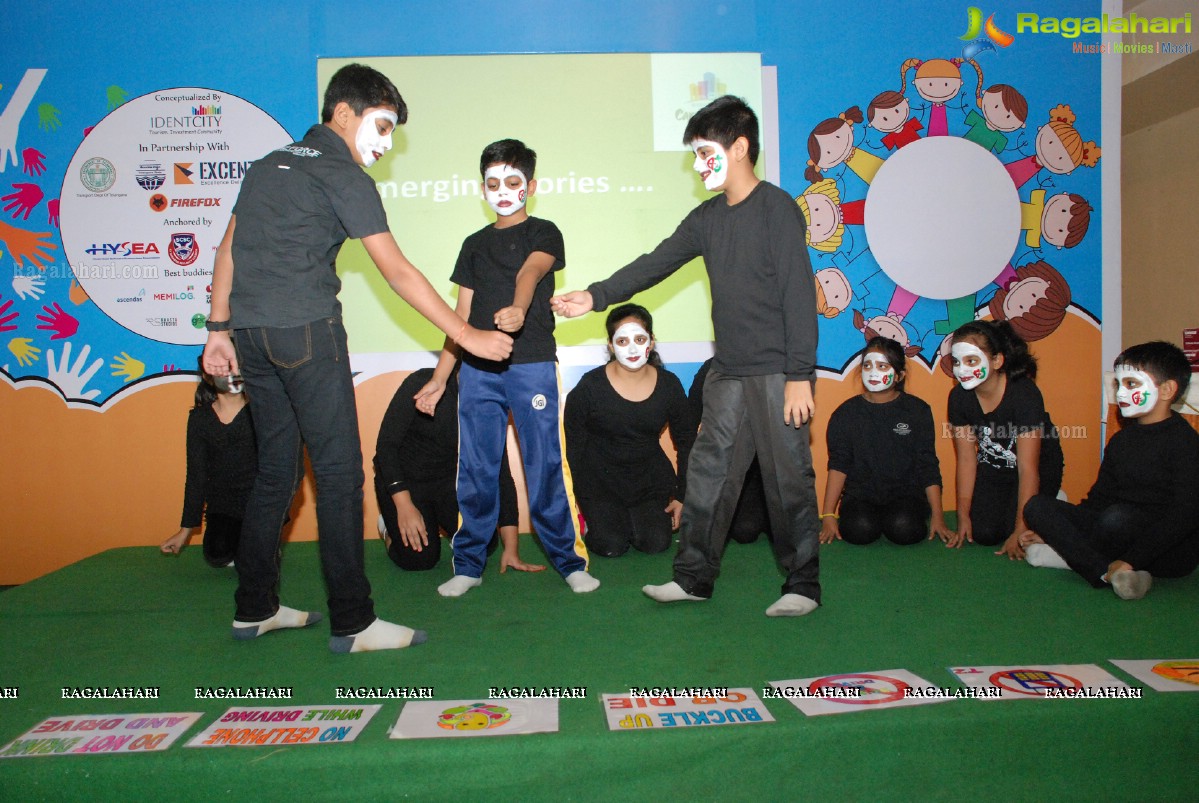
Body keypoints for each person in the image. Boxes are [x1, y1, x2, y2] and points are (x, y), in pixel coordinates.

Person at [201, 64, 513, 654]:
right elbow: (396, 271)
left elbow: (227, 249)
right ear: (344, 113)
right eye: (383, 125)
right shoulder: (343, 174)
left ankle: (254, 609)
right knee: (339, 478)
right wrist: (467, 336)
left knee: (277, 471)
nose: (386, 142)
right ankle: (353, 622)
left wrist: (218, 330)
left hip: (253, 338)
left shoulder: (268, 165)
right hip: (309, 335)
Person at [552, 95, 822, 617]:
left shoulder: (776, 209)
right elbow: (657, 262)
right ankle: (694, 577)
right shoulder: (705, 218)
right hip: (728, 374)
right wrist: (596, 296)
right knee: (707, 475)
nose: (698, 166)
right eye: (694, 155)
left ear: (740, 147)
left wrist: (799, 376)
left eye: (705, 153)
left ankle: (802, 585)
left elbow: (797, 295)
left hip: (776, 374)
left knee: (788, 481)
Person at [415, 138, 596, 598]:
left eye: (512, 182)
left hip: (532, 364)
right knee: (476, 468)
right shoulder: (473, 245)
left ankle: (569, 562)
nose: (502, 190)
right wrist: (440, 379)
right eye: (492, 183)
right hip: (477, 371)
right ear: (482, 189)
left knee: (545, 465)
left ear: (530, 186)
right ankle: (469, 564)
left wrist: (518, 309)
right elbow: (459, 319)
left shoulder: (545, 231)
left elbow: (530, 274)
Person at [1023, 342, 1199, 599]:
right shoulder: (1122, 440)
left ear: (1167, 390)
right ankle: (1105, 573)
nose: (1121, 394)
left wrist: (1131, 558)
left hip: (1168, 552)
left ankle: (1102, 562)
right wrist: (1062, 528)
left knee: (1117, 519)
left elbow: (1184, 516)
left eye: (1131, 384)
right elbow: (1098, 500)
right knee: (1037, 506)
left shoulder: (1185, 442)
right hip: (1113, 530)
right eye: (1119, 385)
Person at [374, 366, 543, 573]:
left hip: (448, 481)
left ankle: (435, 520)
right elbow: (386, 446)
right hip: (403, 480)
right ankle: (388, 528)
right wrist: (403, 505)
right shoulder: (424, 382)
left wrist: (512, 549)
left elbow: (501, 474)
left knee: (485, 545)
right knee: (419, 560)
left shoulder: (489, 404)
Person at [564, 303, 697, 557]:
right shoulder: (589, 387)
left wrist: (682, 495)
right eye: (623, 341)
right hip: (599, 484)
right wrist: (576, 501)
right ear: (611, 346)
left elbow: (687, 440)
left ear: (652, 341)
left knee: (656, 543)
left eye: (639, 338)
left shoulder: (669, 385)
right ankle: (596, 523)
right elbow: (573, 447)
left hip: (649, 484)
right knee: (611, 546)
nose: (633, 348)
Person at [819, 336, 953, 547]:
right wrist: (828, 514)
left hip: (906, 495)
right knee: (859, 530)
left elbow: (927, 463)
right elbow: (838, 464)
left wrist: (938, 514)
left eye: (883, 366)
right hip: (860, 496)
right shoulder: (845, 413)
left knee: (904, 528)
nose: (873, 372)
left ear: (899, 375)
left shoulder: (917, 410)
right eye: (868, 365)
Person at [947, 319, 1063, 557]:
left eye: (971, 361)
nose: (962, 369)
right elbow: (968, 460)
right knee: (985, 534)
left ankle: (1051, 502)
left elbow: (1028, 468)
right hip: (994, 466)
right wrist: (963, 515)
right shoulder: (959, 397)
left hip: (1036, 467)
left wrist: (1021, 530)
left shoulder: (1024, 394)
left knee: (1016, 529)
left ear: (997, 360)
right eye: (957, 362)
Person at [160, 366, 255, 566]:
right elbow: (196, 475)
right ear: (207, 376)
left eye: (237, 366)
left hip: (260, 502)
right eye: (222, 368)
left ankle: (263, 543)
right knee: (217, 555)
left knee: (254, 554)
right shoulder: (200, 419)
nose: (231, 373)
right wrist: (185, 531)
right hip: (223, 504)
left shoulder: (261, 413)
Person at [688, 358, 771, 545]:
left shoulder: (781, 366)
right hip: (726, 467)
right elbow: (690, 423)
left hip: (766, 469)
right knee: (745, 531)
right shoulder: (711, 368)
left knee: (787, 532)